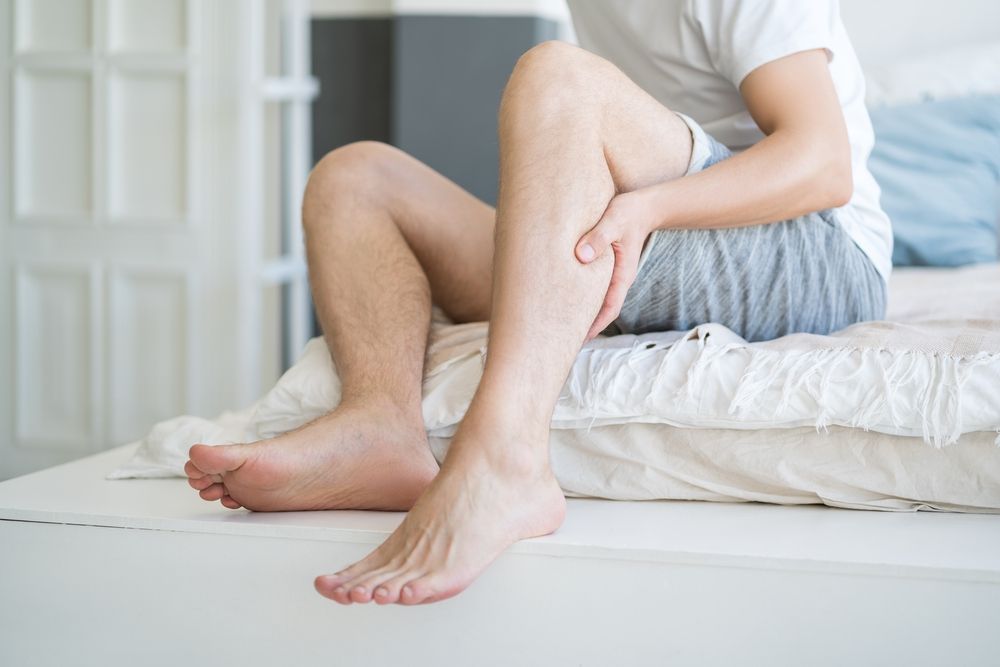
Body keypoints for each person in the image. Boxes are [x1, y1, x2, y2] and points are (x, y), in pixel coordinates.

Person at [183, 0, 891, 606]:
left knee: (557, 75)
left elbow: (822, 162)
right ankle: (378, 425)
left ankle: (507, 458)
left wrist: (650, 209)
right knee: (355, 178)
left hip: (818, 251)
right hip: (664, 235)